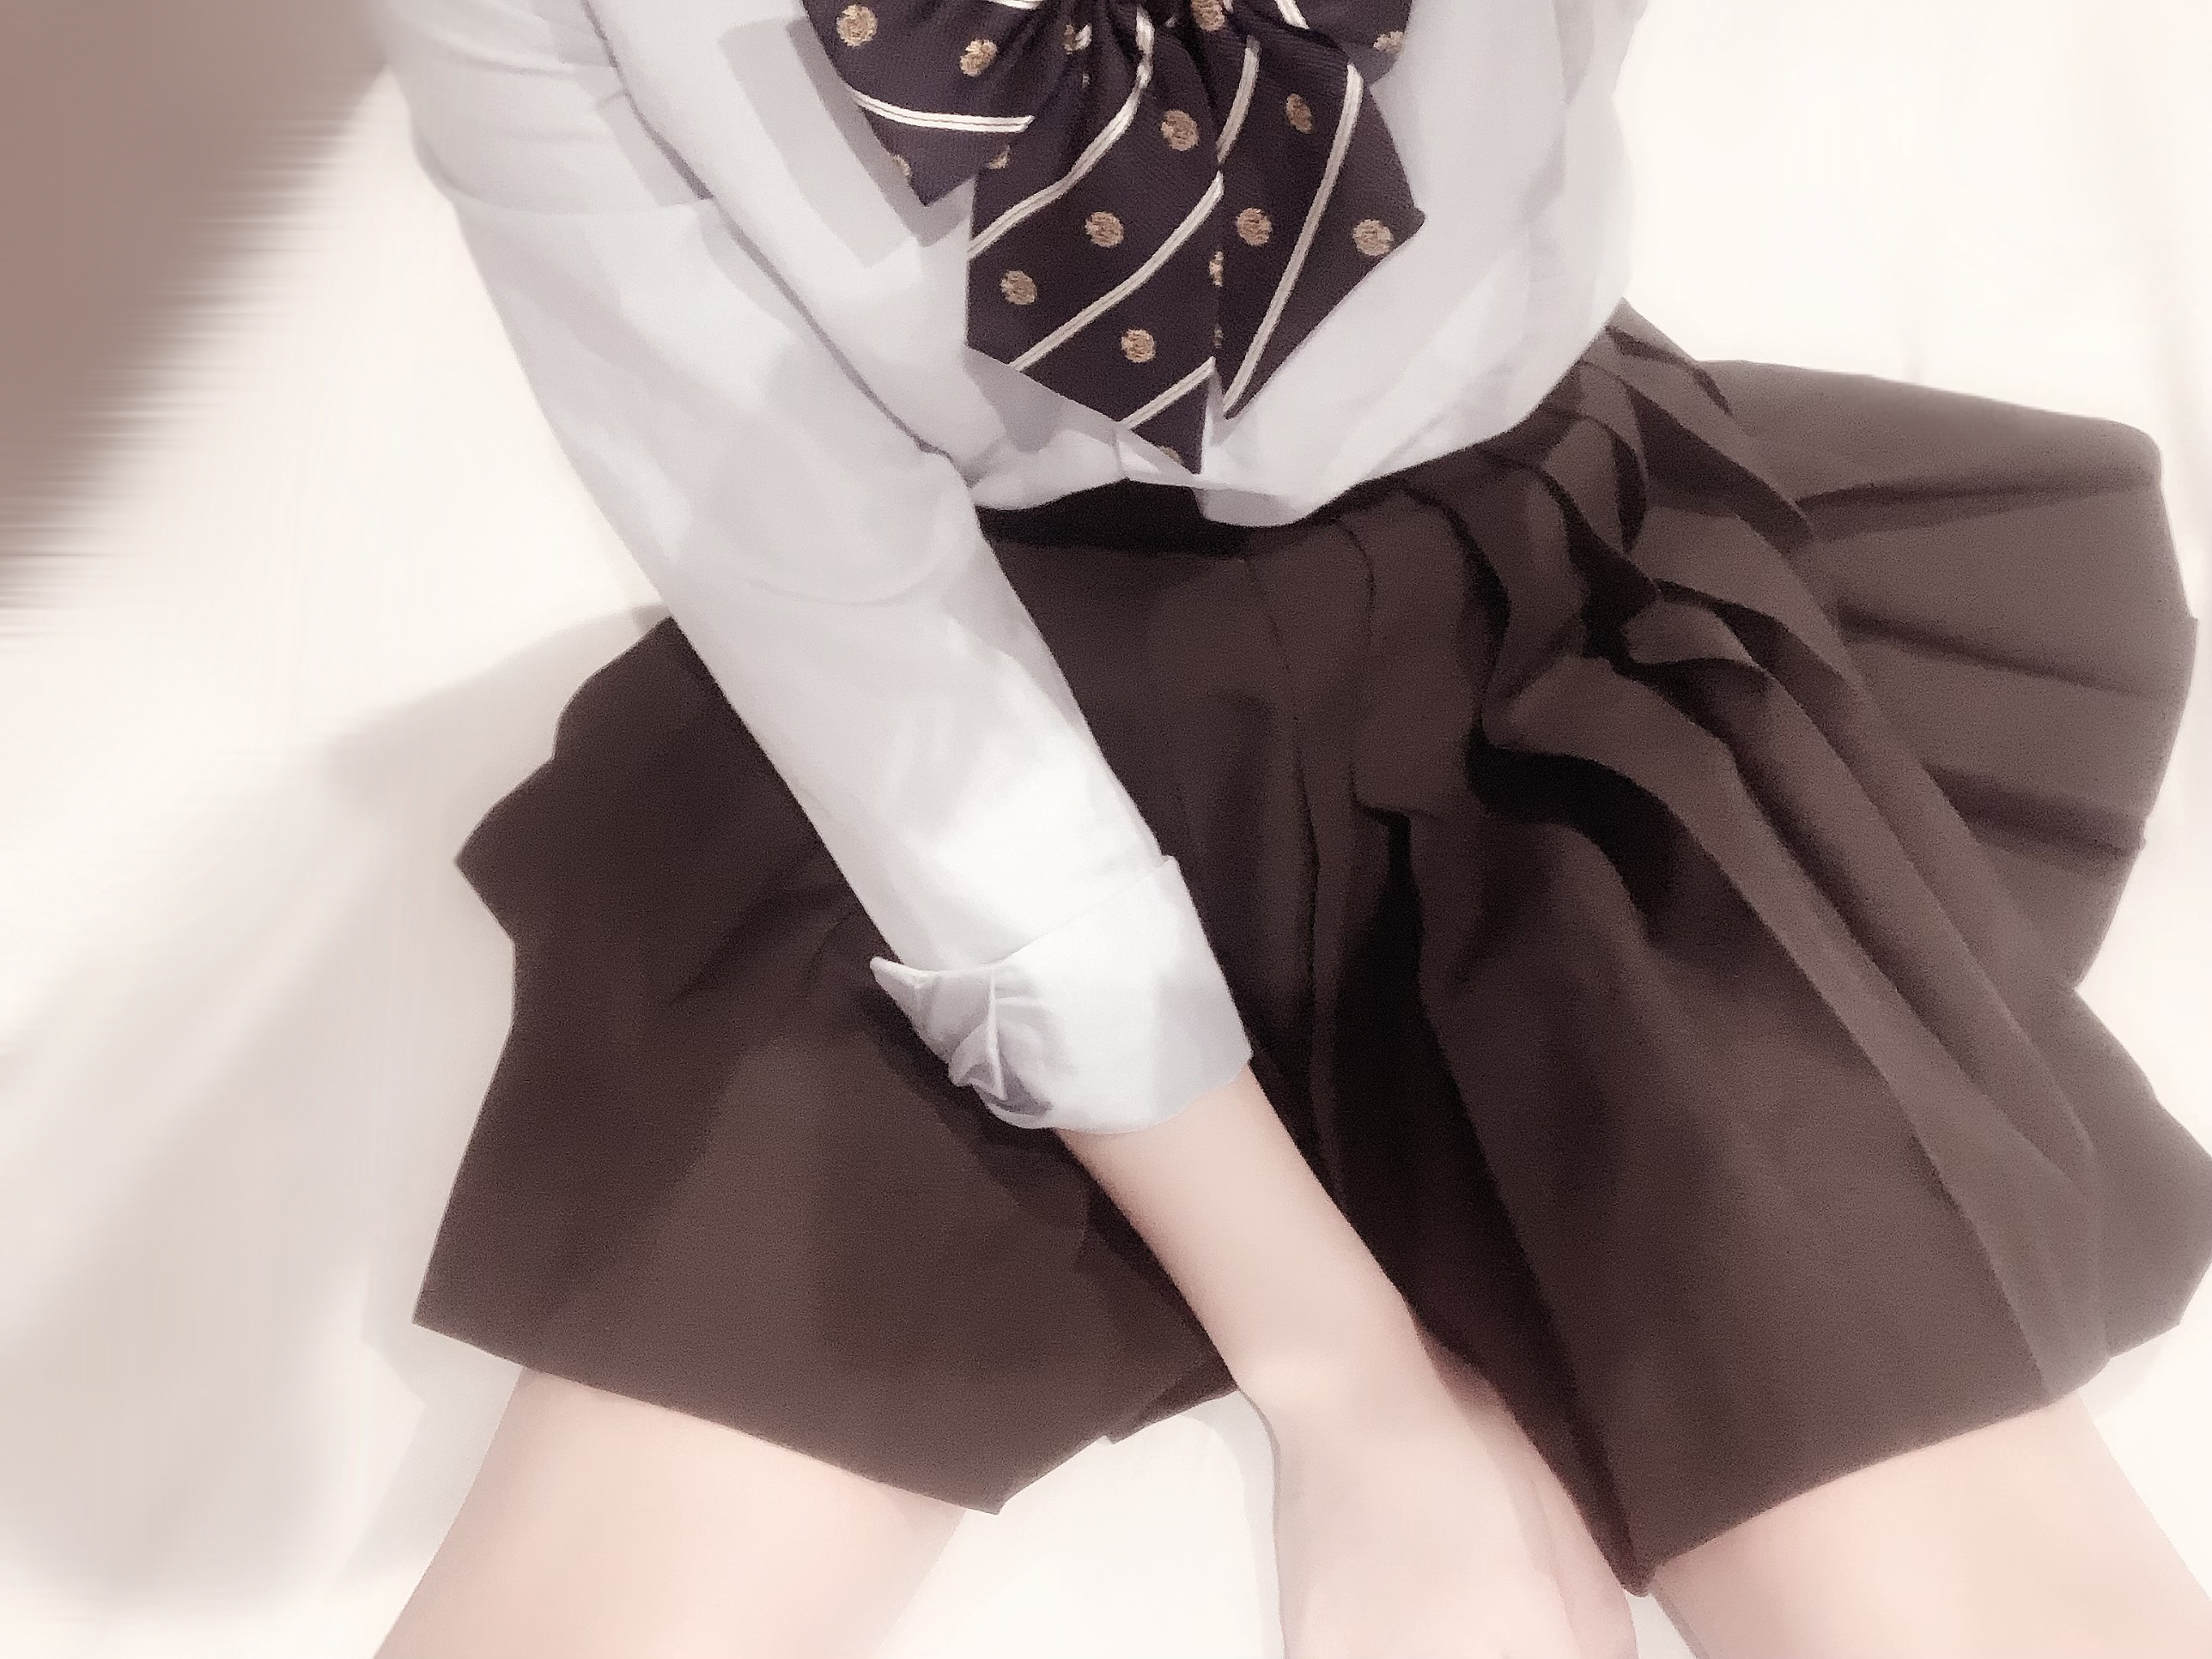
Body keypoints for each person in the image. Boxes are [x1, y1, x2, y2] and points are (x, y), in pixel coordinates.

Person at [365, 0, 2212, 1654]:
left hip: (1554, 648)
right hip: (966, 717)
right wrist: (1345, 1389)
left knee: (1950, 1567)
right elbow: (834, 606)